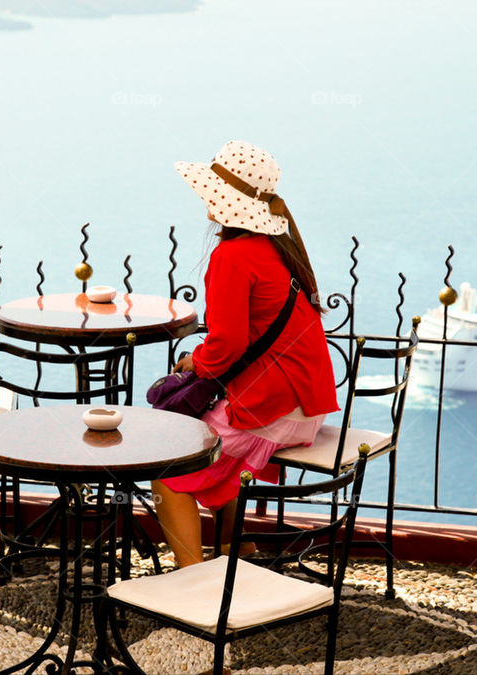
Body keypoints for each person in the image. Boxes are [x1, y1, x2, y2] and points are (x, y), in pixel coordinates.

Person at [152, 140, 339, 568]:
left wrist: (195, 361)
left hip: (271, 410)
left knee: (171, 474)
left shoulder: (232, 256)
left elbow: (226, 347)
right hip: (305, 407)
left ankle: (191, 583)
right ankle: (236, 547)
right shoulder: (279, 248)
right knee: (214, 452)